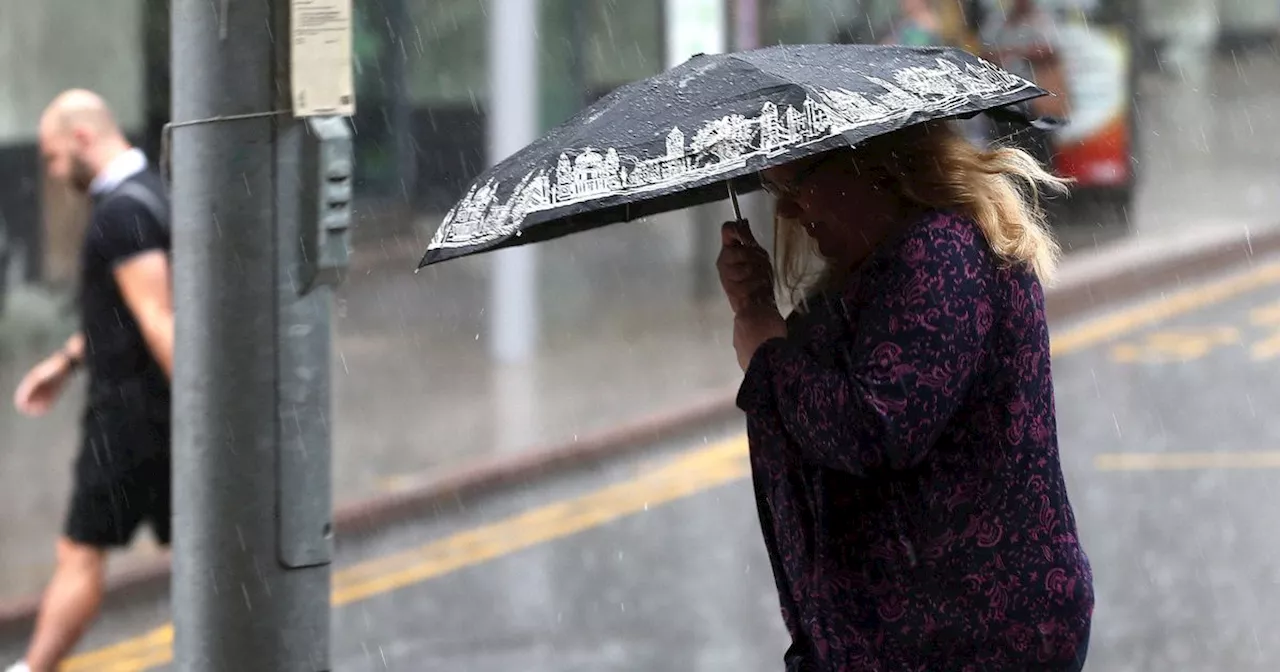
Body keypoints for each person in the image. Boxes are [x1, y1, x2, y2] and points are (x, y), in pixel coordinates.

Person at [716, 118, 1093, 670]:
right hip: (908, 640)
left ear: (867, 163)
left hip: (963, 641)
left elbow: (876, 429)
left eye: (796, 185)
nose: (788, 212)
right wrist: (755, 310)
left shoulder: (942, 253)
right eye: (775, 191)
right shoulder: (879, 271)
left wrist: (767, 358)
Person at [7, 90, 173, 672]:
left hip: (129, 420)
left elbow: (158, 320)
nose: (53, 171)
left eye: (53, 157)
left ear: (82, 138)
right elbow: (126, 312)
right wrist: (70, 359)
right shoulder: (151, 192)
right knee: (209, 549)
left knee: (79, 553)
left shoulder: (121, 213)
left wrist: (210, 416)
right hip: (155, 414)